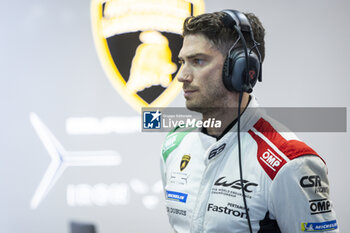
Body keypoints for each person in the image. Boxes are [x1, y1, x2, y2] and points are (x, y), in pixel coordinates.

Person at [160, 10, 338, 233]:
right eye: (182, 61)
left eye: (197, 61)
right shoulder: (175, 144)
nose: (182, 75)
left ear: (241, 69)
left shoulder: (290, 162)